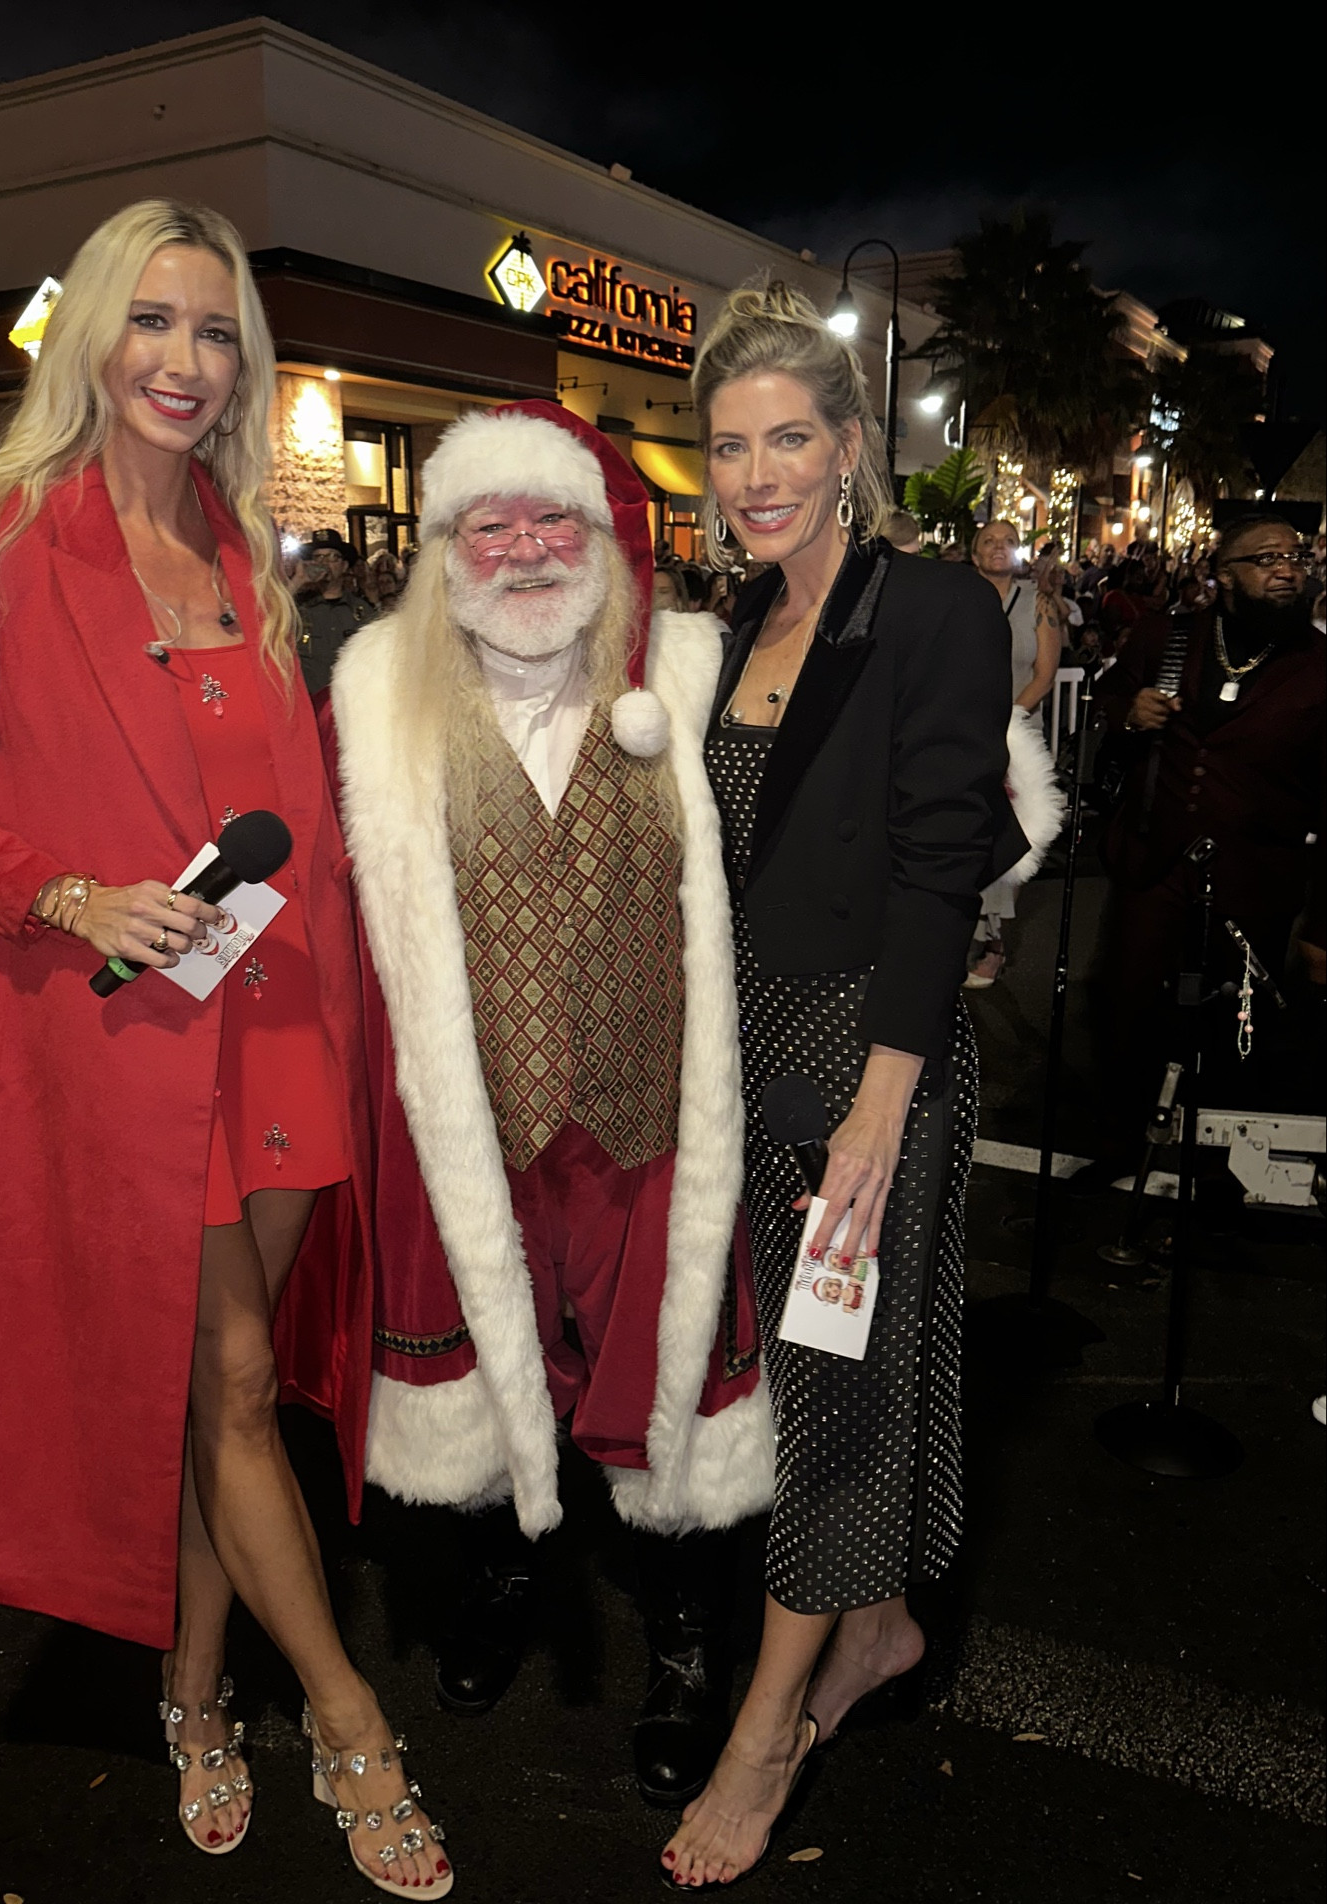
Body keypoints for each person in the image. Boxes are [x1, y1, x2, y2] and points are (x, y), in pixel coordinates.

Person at [0, 199, 452, 1895]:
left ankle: (192, 1692)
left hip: (280, 1026)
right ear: (94, 336)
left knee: (225, 1393)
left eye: (216, 333)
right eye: (156, 324)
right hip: (125, 1049)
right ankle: (348, 1722)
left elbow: (302, 812)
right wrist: (62, 889)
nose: (186, 363)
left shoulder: (246, 547)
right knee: (241, 1381)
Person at [327, 402, 771, 1812]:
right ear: (445, 545)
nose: (523, 550)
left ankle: (689, 1632)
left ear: (602, 536)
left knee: (673, 1382)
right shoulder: (374, 687)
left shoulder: (692, 670)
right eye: (489, 524)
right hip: (472, 1112)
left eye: (551, 520)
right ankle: (505, 1570)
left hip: (650, 1113)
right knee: (476, 1364)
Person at [663, 280, 1023, 1889]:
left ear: (852, 446)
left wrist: (881, 1105)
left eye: (789, 437)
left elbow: (944, 859)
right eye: (730, 445)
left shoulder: (929, 609)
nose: (756, 474)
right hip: (749, 1064)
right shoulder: (733, 627)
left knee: (825, 1398)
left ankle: (762, 1740)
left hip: (859, 1069)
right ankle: (872, 1625)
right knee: (820, 1376)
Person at [1082, 514, 1325, 1181]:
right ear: (1222, 575)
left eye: (1295, 557)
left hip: (1259, 875)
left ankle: (1221, 1168)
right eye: (1265, 557)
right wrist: (1127, 709)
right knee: (1125, 1003)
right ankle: (1116, 1143)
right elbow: (1108, 691)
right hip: (1154, 859)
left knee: (1238, 1026)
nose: (1285, 568)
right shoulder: (1170, 635)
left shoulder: (1316, 664)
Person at [963, 522, 1062, 986]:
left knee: (1008, 835)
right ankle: (961, 929)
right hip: (962, 732)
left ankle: (994, 942)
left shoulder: (1038, 604)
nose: (998, 548)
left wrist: (1005, 719)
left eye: (1007, 541)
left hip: (1017, 735)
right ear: (974, 551)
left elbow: (1043, 675)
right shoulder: (957, 597)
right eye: (988, 541)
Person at [296, 537, 370, 693]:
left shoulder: (361, 610)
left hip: (350, 700)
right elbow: (264, 617)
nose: (324, 563)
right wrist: (298, 581)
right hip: (310, 701)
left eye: (332, 557)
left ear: (344, 566)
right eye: (318, 557)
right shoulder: (297, 607)